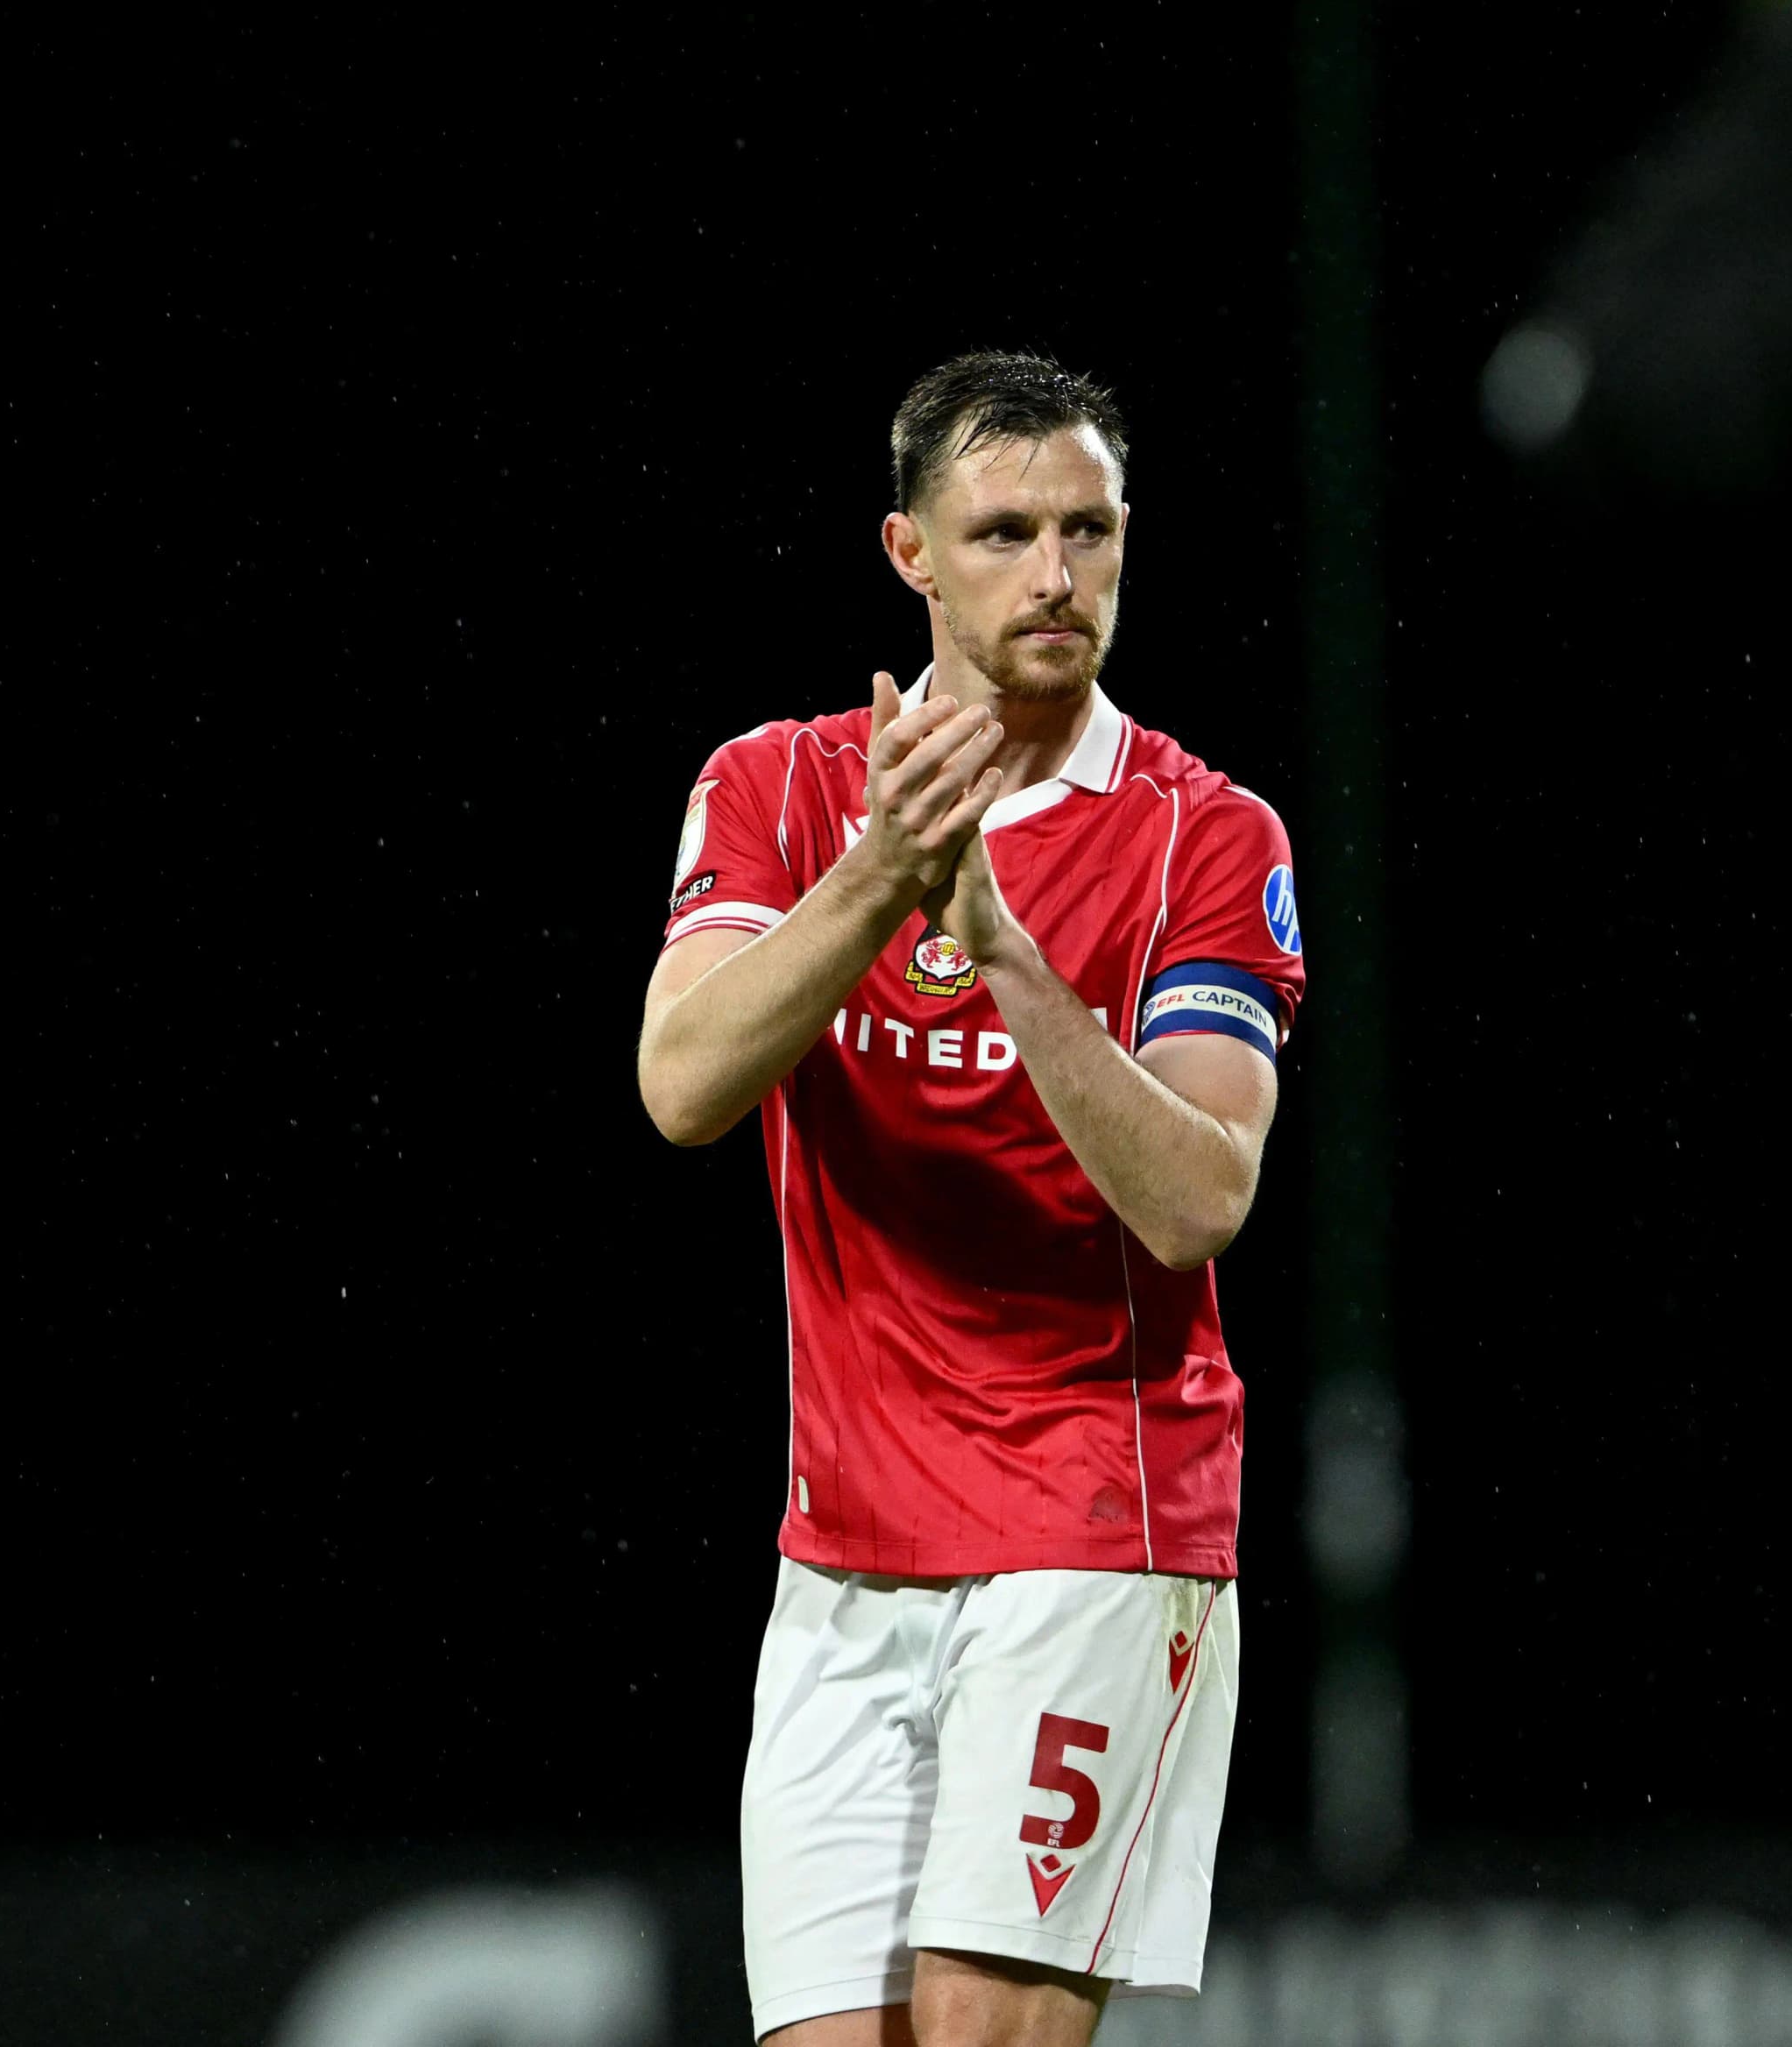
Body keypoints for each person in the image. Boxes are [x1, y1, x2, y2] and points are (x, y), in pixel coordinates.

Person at [634, 352, 1303, 2046]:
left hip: (1096, 1531)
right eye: (1006, 532)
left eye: (1090, 530)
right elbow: (684, 1087)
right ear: (909, 553)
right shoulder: (781, 791)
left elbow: (1201, 1197)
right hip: (844, 1558)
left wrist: (1003, 950)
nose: (1058, 576)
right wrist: (881, 881)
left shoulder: (1202, 839)